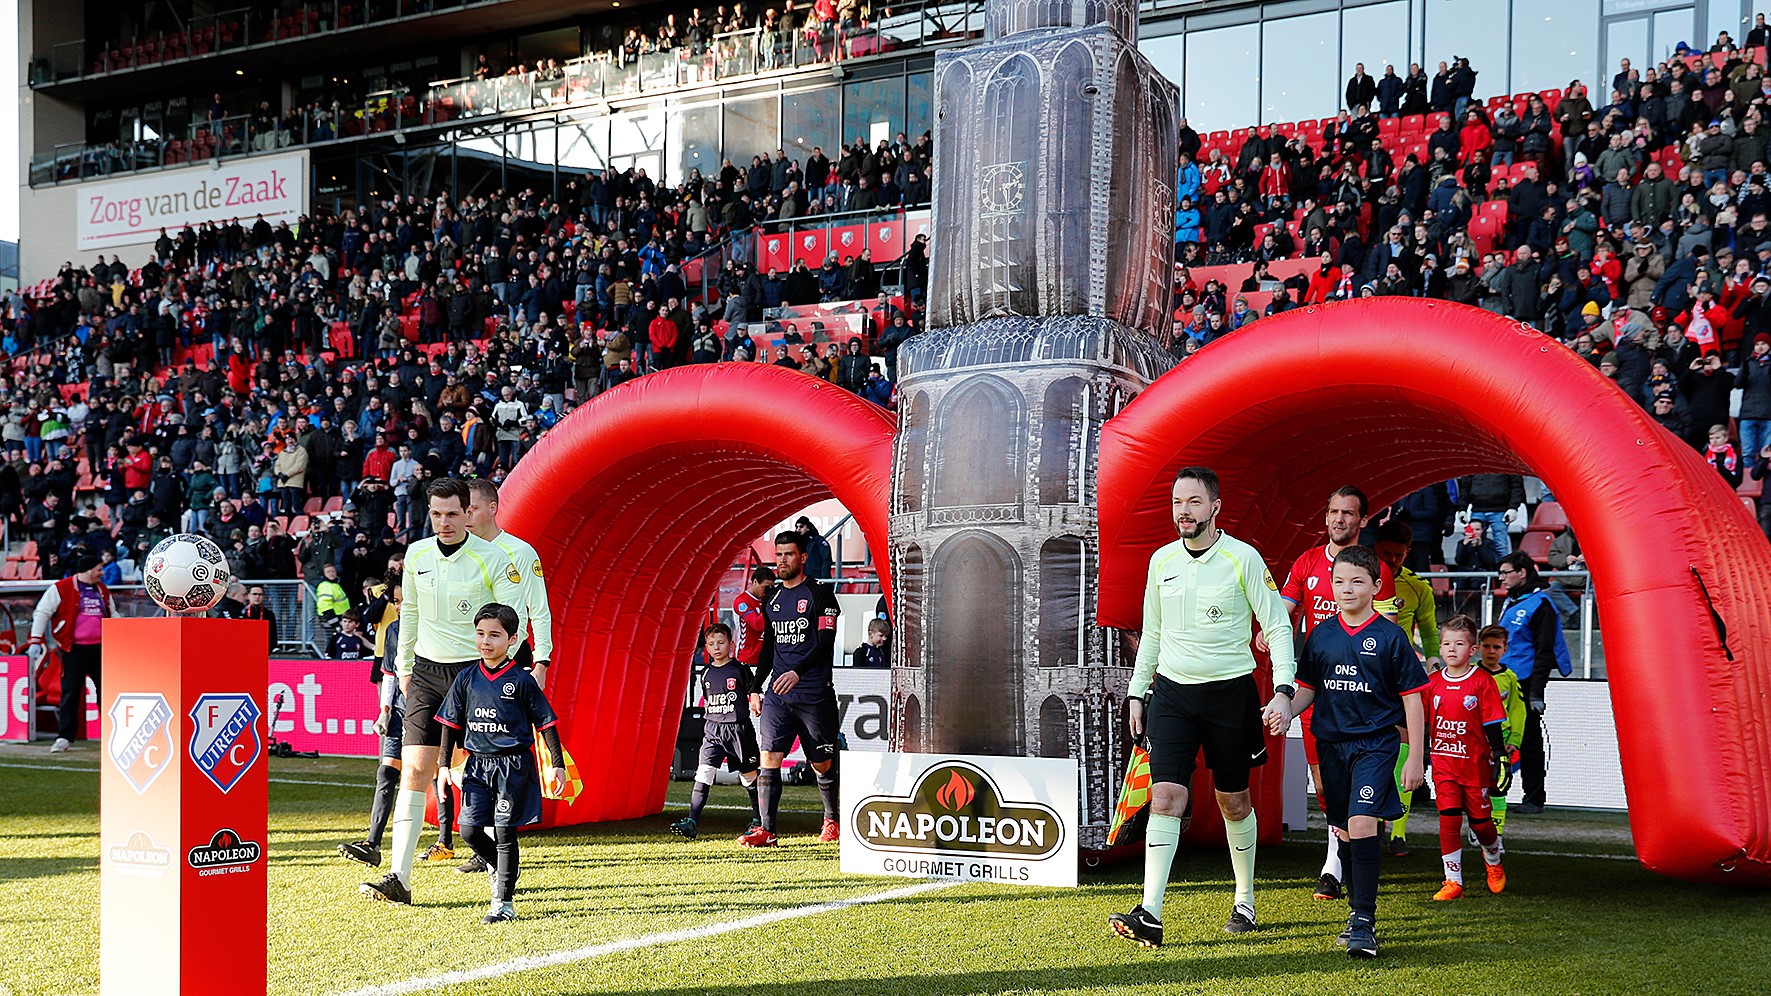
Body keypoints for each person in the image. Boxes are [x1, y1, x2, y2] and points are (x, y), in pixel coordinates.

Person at [1109, 467, 1296, 946]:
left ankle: (1246, 897)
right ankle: (1150, 910)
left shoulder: (1244, 558)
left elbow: (1276, 626)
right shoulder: (1161, 561)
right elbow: (1151, 631)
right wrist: (1137, 690)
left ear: (1214, 507)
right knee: (1167, 796)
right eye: (1177, 502)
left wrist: (1283, 689)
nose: (1183, 512)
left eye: (1193, 502)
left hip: (1229, 695)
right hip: (1171, 693)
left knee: (1233, 801)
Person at [359, 478, 526, 906]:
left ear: (468, 513)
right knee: (414, 771)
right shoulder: (416, 555)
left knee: (472, 774)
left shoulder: (493, 557)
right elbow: (408, 613)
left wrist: (499, 669)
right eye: (436, 514)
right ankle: (400, 878)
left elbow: (514, 619)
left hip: (473, 675)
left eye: (453, 513)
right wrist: (406, 667)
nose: (444, 522)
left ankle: (496, 866)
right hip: (427, 674)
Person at [1263, 546, 1427, 960]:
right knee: (1344, 830)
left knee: (1362, 821)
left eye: (1357, 581)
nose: (1347, 589)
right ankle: (1357, 915)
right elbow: (1308, 691)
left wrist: (1415, 757)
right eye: (1339, 581)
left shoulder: (1391, 637)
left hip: (1375, 745)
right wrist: (1284, 706)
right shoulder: (1321, 635)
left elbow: (1413, 700)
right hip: (1331, 745)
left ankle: (1364, 920)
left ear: (1375, 587)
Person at [1279, 486, 1399, 897]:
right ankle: (1337, 859)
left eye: (1348, 513)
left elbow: (1385, 633)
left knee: (1359, 790)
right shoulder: (1307, 562)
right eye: (1333, 511)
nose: (1338, 519)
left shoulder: (1377, 569)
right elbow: (1286, 608)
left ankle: (1340, 868)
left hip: (1362, 696)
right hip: (1319, 689)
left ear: (1363, 520)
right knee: (1326, 784)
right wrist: (1267, 630)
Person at [435, 603, 566, 924]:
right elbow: (449, 724)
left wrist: (557, 764)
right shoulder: (466, 678)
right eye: (480, 633)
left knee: (505, 833)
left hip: (513, 768)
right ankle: (503, 866)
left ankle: (503, 903)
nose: (485, 641)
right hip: (477, 766)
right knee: (469, 831)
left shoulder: (521, 681)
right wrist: (441, 766)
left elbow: (546, 723)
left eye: (495, 635)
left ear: (513, 639)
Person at [740, 531, 843, 848]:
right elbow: (769, 647)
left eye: (788, 554)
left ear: (803, 558)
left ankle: (832, 820)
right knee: (768, 756)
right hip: (778, 696)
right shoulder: (771, 599)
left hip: (814, 694)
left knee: (820, 763)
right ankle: (767, 830)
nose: (781, 560)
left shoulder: (822, 595)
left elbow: (826, 645)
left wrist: (798, 672)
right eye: (778, 554)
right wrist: (756, 687)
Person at [1424, 615, 1508, 901]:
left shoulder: (1482, 681)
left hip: (1474, 765)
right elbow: (1422, 722)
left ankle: (1493, 857)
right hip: (1444, 764)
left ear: (1472, 650)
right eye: (1446, 643)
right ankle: (1453, 880)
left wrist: (1499, 756)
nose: (1451, 649)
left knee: (1480, 823)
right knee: (1447, 819)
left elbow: (1492, 723)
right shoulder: (1433, 683)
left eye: (1458, 644)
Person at [1371, 518, 1440, 855]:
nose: (1392, 560)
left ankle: (1396, 831)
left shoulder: (1418, 588)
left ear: (1408, 553)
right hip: (1361, 676)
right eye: (1386, 553)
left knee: (1404, 750)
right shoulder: (1361, 578)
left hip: (1397, 677)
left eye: (1398, 555)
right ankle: (1365, 823)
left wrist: (1432, 660)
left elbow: (1428, 632)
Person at [668, 624, 762, 840]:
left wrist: (756, 700)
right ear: (706, 648)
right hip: (712, 730)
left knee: (749, 776)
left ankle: (759, 820)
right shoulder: (707, 672)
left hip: (738, 730)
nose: (716, 647)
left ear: (731, 644)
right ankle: (692, 820)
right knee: (704, 772)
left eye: (721, 642)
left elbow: (754, 691)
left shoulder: (740, 669)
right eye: (711, 644)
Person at [1495, 552, 1570, 814]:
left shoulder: (1541, 604)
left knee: (1529, 740)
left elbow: (1544, 651)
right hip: (1505, 680)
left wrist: (1537, 692)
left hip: (1525, 683)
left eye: (1506, 572)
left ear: (1522, 573)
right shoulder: (1514, 601)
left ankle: (1534, 797)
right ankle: (1493, 793)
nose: (1501, 578)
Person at [26, 547, 113, 753]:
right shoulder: (61, 588)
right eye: (99, 569)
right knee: (70, 692)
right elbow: (42, 612)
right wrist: (35, 641)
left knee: (107, 692)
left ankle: (111, 733)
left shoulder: (102, 589)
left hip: (101, 649)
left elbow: (113, 614)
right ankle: (64, 736)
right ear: (89, 570)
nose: (102, 573)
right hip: (73, 649)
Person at [339, 608, 404, 869]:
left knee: (440, 775)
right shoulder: (394, 630)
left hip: (429, 713)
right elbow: (389, 673)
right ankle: (372, 845)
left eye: (404, 599)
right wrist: (384, 712)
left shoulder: (435, 628)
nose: (399, 606)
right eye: (396, 600)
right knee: (386, 773)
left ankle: (448, 842)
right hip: (400, 712)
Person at [1477, 625, 1526, 836]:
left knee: (1499, 785)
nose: (1491, 651)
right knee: (1475, 787)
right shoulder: (1471, 673)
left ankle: (1496, 834)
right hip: (1473, 739)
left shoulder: (1510, 678)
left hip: (1501, 739)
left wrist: (1514, 739)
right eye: (1486, 646)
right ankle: (1478, 826)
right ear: (1478, 647)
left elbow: (1517, 711)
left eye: (1496, 647)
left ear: (1505, 649)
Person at [732, 565, 775, 674]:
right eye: (765, 587)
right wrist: (769, 604)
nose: (767, 591)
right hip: (746, 658)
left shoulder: (766, 601)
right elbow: (757, 625)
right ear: (755, 582)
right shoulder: (742, 601)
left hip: (765, 657)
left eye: (771, 588)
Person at [241, 584, 279, 654]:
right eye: (254, 594)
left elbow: (273, 636)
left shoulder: (269, 614)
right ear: (248, 596)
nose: (257, 597)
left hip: (264, 651)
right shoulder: (242, 613)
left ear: (264, 597)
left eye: (260, 594)